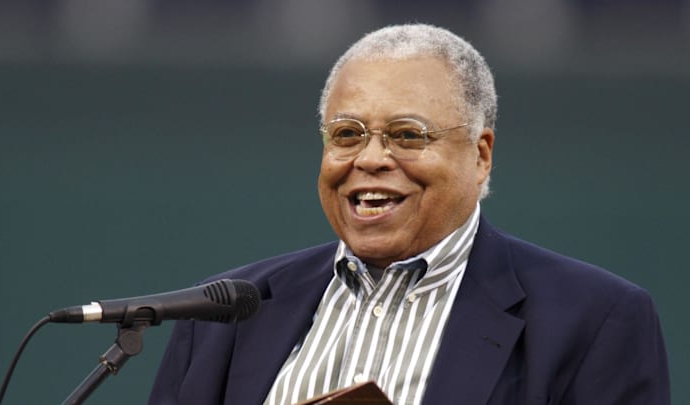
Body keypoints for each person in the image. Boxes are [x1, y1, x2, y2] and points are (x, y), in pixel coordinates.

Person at [148, 24, 670, 405]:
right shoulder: (225, 314)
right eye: (347, 135)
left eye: (407, 135)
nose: (371, 159)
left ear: (480, 154)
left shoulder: (595, 319)